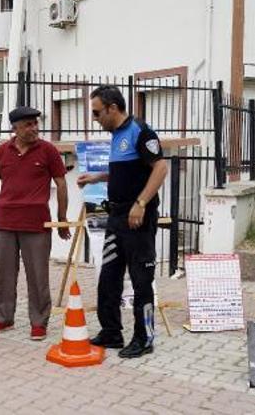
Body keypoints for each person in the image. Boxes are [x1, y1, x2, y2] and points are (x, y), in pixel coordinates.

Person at [77, 85, 168, 358]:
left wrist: (141, 204)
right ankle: (112, 332)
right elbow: (124, 172)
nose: (95, 119)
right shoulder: (116, 135)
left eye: (97, 113)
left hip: (137, 219)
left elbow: (160, 168)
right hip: (116, 218)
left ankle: (144, 338)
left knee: (141, 281)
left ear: (112, 108)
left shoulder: (140, 131)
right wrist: (97, 178)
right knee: (109, 279)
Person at [0, 106, 71, 341]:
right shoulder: (2, 151)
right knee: (4, 274)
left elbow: (61, 184)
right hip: (7, 222)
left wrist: (62, 220)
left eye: (35, 123)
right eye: (28, 124)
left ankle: (39, 322)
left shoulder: (48, 150)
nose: (34, 128)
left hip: (37, 224)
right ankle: (4, 318)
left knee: (38, 275)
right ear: (15, 128)